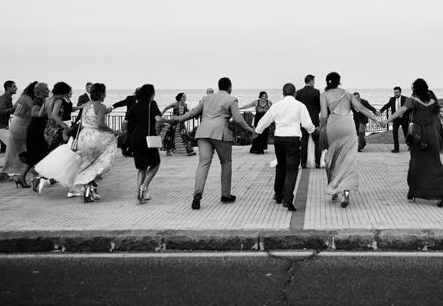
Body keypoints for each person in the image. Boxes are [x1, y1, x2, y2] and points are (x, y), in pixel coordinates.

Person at [176, 77, 255, 210]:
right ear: (229, 87)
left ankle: (197, 195)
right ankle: (225, 195)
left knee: (203, 163)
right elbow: (238, 118)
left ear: (219, 87)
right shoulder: (231, 99)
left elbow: (193, 113)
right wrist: (250, 129)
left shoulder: (206, 98)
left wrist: (177, 119)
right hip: (221, 134)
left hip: (203, 133)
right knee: (226, 163)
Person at [385, 78, 443, 207]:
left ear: (415, 89)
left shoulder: (413, 100)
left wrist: (386, 121)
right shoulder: (432, 101)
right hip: (432, 134)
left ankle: (414, 191)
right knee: (435, 163)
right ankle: (442, 194)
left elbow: (401, 111)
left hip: (418, 134)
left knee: (417, 162)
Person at [320, 72, 380, 208]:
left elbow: (324, 115)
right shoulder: (347, 94)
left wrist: (321, 128)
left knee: (332, 158)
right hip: (348, 125)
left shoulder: (324, 95)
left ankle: (334, 189)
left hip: (333, 125)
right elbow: (360, 108)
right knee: (348, 160)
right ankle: (345, 194)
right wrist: (376, 120)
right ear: (339, 81)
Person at [253, 83, 315, 211]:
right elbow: (307, 124)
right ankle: (287, 199)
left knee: (280, 167)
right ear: (295, 93)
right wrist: (313, 130)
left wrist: (257, 132)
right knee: (292, 170)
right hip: (292, 139)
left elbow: (265, 120)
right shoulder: (300, 106)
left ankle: (278, 195)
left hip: (279, 140)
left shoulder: (276, 105)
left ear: (283, 93)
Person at [71, 83, 119, 203]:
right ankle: (89, 188)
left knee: (87, 164)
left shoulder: (87, 105)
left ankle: (90, 190)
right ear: (102, 94)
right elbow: (100, 125)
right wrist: (114, 132)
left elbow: (83, 121)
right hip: (95, 137)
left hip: (83, 136)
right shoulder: (101, 106)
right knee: (101, 164)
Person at [126, 84, 171, 204]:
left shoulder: (135, 105)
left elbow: (125, 122)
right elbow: (158, 119)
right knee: (155, 163)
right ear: (151, 93)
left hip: (135, 138)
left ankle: (139, 197)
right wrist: (168, 120)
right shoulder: (152, 104)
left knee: (142, 167)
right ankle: (144, 186)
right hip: (147, 138)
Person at [1, 81, 37, 185]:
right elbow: (35, 110)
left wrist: (21, 112)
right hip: (22, 125)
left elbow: (13, 110)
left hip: (16, 123)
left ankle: (6, 172)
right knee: (30, 149)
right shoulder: (28, 99)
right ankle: (34, 172)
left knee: (14, 150)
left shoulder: (23, 97)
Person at [22, 82, 50, 190]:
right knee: (40, 155)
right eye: (47, 89)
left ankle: (23, 178)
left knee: (35, 156)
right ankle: (36, 180)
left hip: (38, 130)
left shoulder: (43, 101)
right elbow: (34, 114)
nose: (49, 91)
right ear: (41, 91)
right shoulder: (39, 101)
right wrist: (44, 111)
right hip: (35, 131)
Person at [295, 74, 321, 168]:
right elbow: (320, 106)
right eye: (314, 81)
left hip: (303, 120)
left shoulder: (298, 93)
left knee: (304, 142)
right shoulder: (316, 92)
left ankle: (303, 163)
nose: (314, 82)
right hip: (314, 120)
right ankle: (317, 163)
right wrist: (315, 112)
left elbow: (297, 107)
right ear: (310, 81)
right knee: (317, 142)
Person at [43, 82, 73, 151]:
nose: (66, 95)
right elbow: (54, 115)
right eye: (66, 93)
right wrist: (65, 126)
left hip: (48, 127)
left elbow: (41, 114)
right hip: (55, 129)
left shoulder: (48, 99)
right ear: (62, 92)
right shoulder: (59, 101)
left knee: (52, 150)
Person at [380, 86, 407, 153]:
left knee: (406, 133)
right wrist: (380, 111)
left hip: (404, 118)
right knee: (394, 132)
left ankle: (410, 146)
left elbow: (409, 108)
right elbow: (386, 106)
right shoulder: (392, 99)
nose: (395, 94)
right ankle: (396, 148)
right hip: (396, 119)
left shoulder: (405, 99)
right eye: (394, 92)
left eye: (397, 92)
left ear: (400, 92)